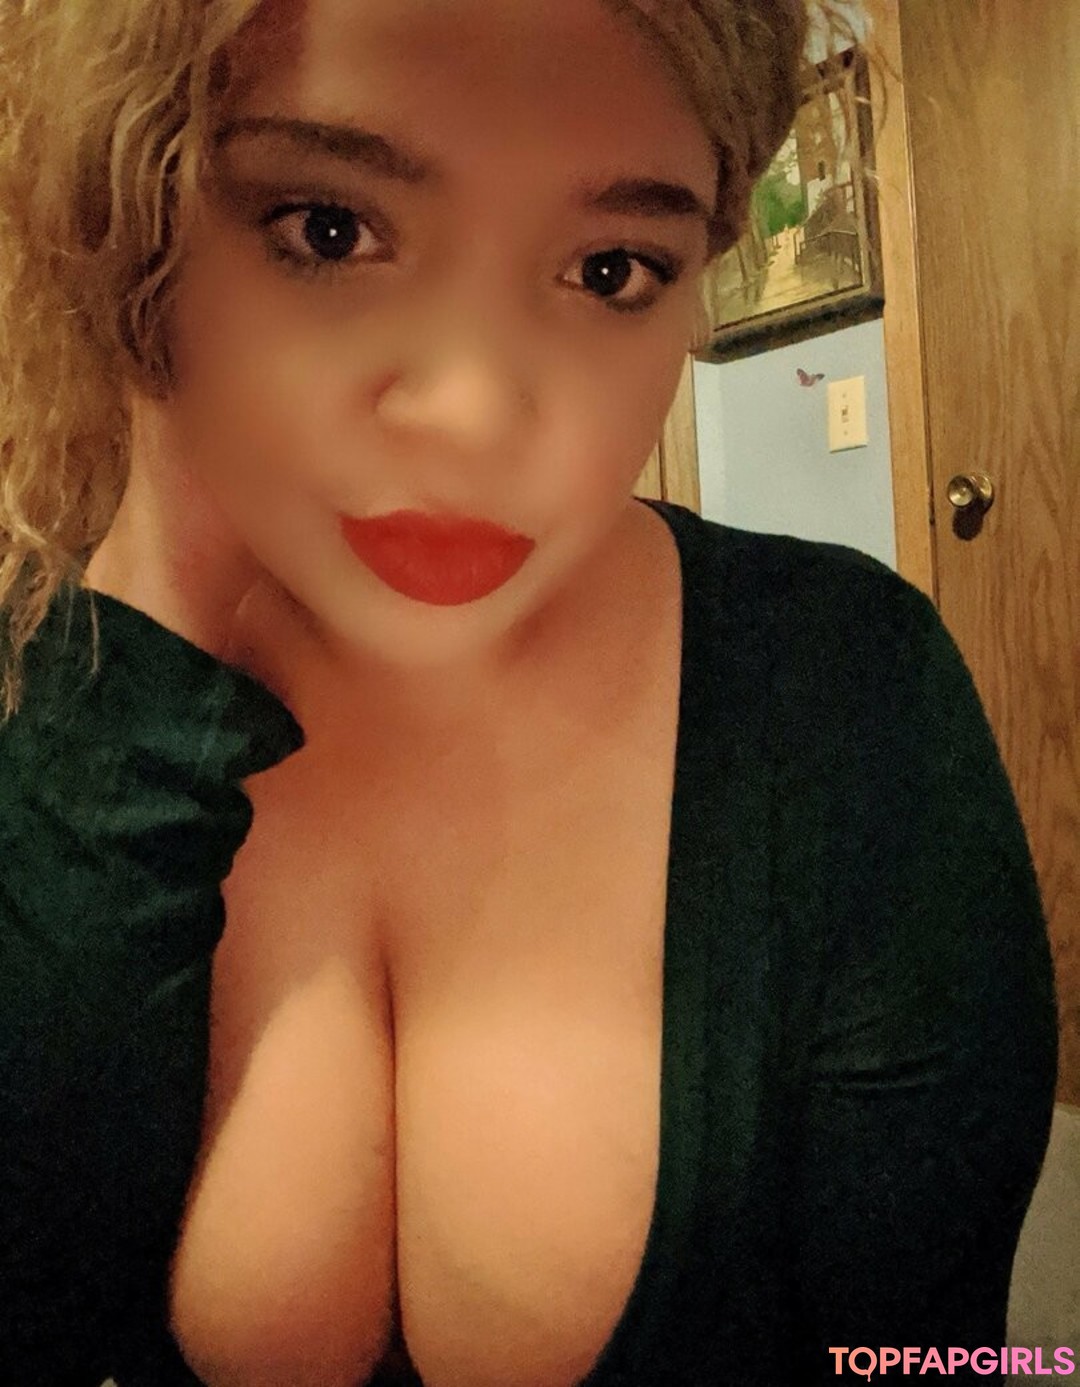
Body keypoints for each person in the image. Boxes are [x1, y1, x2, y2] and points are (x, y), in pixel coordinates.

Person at [0, 1, 1057, 1384]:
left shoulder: (850, 695)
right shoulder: (40, 693)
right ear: (136, 221)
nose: (475, 410)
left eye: (611, 269)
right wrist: (154, 591)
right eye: (330, 230)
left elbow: (927, 1366)